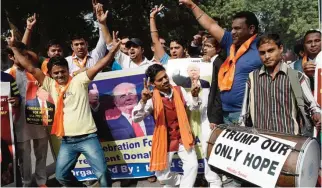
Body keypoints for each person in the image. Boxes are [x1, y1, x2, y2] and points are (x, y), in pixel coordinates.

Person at [6, 26, 120, 186]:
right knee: (61, 176)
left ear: (68, 70)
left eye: (62, 71)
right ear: (51, 75)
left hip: (88, 137)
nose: (60, 75)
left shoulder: (80, 80)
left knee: (101, 173)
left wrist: (113, 51)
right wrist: (12, 47)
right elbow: (30, 67)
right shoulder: (49, 84)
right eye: (56, 73)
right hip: (68, 140)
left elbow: (99, 64)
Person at [179, 0, 262, 126]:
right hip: (225, 113)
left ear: (251, 29)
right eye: (232, 28)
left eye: (237, 28)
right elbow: (211, 25)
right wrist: (192, 6)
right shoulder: (230, 42)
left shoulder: (262, 48)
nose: (232, 32)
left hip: (247, 113)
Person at [132, 64, 201, 187]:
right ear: (153, 84)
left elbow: (194, 107)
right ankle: (181, 181)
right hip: (165, 140)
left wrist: (195, 96)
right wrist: (142, 101)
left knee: (193, 165)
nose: (165, 81)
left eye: (165, 77)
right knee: (161, 175)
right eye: (160, 80)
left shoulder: (179, 90)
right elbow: (136, 119)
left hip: (183, 137)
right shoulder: (151, 98)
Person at [240, 34, 321, 135]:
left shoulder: (297, 77)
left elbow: (312, 106)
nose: (267, 56)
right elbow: (244, 114)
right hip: (260, 141)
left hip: (290, 142)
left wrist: (317, 114)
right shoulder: (252, 78)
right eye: (262, 53)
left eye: (271, 50)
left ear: (280, 49)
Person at [5, 41, 49, 187]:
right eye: (20, 55)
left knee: (41, 150)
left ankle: (42, 181)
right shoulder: (6, 77)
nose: (24, 58)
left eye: (25, 55)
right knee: (24, 154)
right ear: (12, 57)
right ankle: (26, 182)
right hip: (19, 121)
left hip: (38, 116)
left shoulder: (35, 72)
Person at [66, 3, 111, 76]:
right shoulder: (67, 61)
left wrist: (101, 22)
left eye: (82, 44)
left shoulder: (96, 55)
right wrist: (75, 73)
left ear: (87, 44)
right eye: (76, 45)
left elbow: (103, 38)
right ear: (72, 47)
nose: (80, 47)